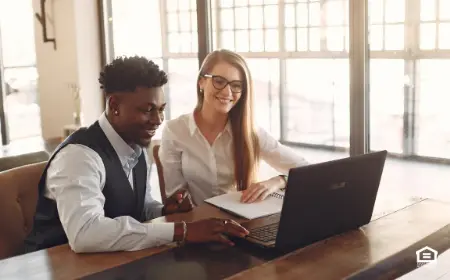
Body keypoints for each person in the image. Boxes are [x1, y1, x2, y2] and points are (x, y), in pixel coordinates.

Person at [24, 56, 249, 254]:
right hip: (56, 269)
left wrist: (163, 210)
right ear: (114, 106)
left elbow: (137, 208)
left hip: (113, 264)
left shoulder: (135, 146)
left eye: (161, 109)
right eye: (147, 110)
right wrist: (182, 230)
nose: (158, 120)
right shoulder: (79, 157)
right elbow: (85, 233)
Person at [159, 49, 308, 207]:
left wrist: (278, 181)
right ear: (201, 82)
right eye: (219, 81)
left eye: (236, 85)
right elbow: (174, 195)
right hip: (197, 224)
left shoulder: (251, 132)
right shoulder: (175, 131)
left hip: (242, 223)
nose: (227, 92)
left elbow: (305, 169)